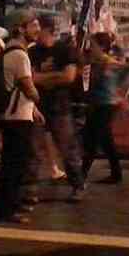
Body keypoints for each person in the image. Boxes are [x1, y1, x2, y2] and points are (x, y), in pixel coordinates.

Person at [30, 15, 87, 202]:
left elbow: (68, 77)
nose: (35, 33)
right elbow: (29, 78)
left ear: (48, 29)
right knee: (35, 151)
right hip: (38, 107)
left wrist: (41, 78)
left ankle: (77, 186)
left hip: (59, 108)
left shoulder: (65, 50)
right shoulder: (33, 52)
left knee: (68, 149)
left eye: (39, 28)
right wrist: (54, 77)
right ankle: (30, 190)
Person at [0, 9, 44, 224]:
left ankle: (6, 207)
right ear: (20, 28)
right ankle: (9, 210)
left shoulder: (10, 51)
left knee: (11, 164)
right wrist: (37, 95)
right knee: (15, 166)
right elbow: (28, 87)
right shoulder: (19, 55)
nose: (38, 30)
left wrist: (34, 109)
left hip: (14, 116)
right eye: (33, 25)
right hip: (17, 119)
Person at [82, 32, 125, 184]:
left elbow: (120, 66)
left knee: (98, 140)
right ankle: (83, 173)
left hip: (105, 105)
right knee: (98, 140)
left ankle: (82, 174)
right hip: (100, 104)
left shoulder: (107, 62)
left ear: (101, 47)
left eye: (93, 45)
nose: (90, 48)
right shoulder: (99, 62)